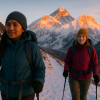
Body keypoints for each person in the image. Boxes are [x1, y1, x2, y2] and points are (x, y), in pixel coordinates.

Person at [0, 11, 45, 100]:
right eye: (8, 24)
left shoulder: (32, 47)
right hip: (6, 93)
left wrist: (39, 81)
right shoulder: (2, 46)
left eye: (15, 25)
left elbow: (40, 68)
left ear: (23, 28)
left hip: (26, 94)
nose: (11, 28)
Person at [63, 28, 99, 100]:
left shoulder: (91, 49)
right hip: (73, 76)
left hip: (86, 77)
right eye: (79, 36)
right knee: (75, 97)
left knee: (83, 97)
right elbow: (67, 61)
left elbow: (94, 64)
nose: (81, 38)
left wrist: (95, 74)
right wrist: (66, 70)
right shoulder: (71, 49)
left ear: (86, 37)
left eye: (83, 36)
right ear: (77, 37)